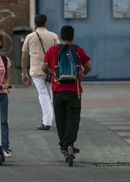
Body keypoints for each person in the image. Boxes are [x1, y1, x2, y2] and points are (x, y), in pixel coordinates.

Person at [42, 25, 91, 154]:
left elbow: (44, 67)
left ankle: (63, 144)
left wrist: (52, 72)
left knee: (60, 118)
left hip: (57, 89)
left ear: (60, 36)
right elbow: (88, 67)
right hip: (74, 91)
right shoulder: (78, 50)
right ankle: (70, 144)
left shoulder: (53, 50)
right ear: (73, 37)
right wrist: (81, 73)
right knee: (73, 118)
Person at [21, 14, 60, 130]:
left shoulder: (30, 37)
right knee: (51, 95)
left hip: (36, 71)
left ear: (35, 23)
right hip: (51, 70)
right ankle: (54, 119)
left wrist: (24, 73)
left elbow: (24, 57)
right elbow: (59, 52)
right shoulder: (53, 36)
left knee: (43, 95)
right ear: (45, 23)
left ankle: (47, 122)